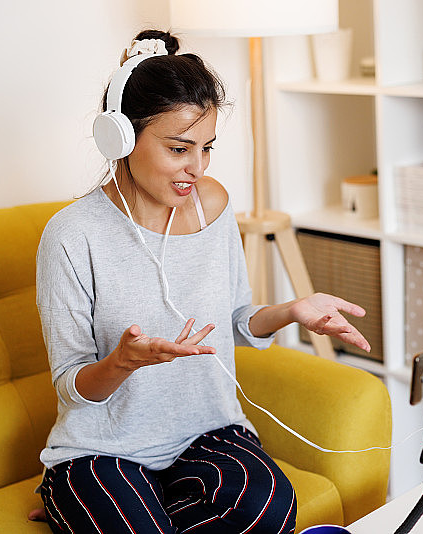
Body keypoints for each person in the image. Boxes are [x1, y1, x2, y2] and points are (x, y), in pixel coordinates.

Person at [30, 29, 370, 534]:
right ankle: (75, 494)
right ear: (121, 136)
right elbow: (72, 385)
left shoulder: (211, 205)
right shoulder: (72, 235)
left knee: (270, 505)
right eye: (178, 148)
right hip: (104, 448)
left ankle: (94, 513)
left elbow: (234, 318)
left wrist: (291, 310)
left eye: (206, 148)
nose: (196, 167)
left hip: (206, 433)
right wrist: (122, 363)